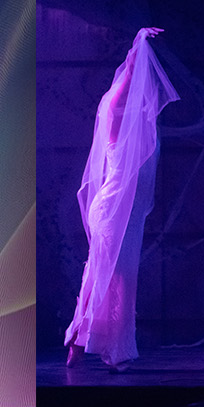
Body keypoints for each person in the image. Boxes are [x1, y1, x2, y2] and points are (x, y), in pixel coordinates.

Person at [64, 27, 177, 369]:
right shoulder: (113, 108)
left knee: (115, 275)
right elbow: (129, 79)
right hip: (113, 210)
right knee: (111, 274)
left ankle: (91, 343)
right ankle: (101, 346)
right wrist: (138, 45)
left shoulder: (139, 126)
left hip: (122, 212)